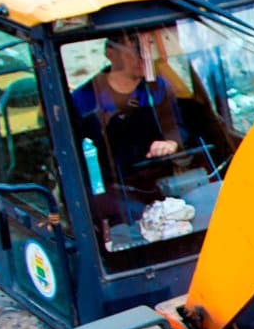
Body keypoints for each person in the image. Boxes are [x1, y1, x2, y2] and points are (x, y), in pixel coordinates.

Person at [72, 30, 191, 204]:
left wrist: (171, 142)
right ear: (110, 54)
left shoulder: (158, 88)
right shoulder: (83, 100)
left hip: (161, 183)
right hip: (113, 191)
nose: (143, 57)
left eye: (146, 50)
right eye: (135, 50)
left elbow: (177, 127)